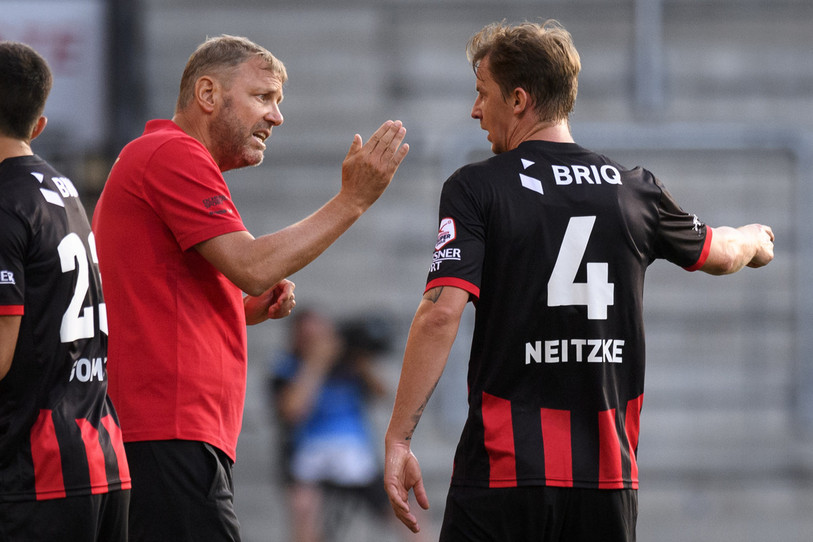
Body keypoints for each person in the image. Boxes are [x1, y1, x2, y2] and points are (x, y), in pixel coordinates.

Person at [383, 20, 775, 542]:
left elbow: (440, 313)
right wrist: (753, 238)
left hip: (504, 475)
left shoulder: (477, 188)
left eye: (482, 93)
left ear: (518, 100)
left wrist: (398, 438)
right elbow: (722, 254)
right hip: (606, 482)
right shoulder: (634, 190)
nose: (475, 110)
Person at [91, 35, 409, 541]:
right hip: (168, 432)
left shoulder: (167, 157)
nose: (276, 117)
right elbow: (253, 264)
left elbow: (160, 301)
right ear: (208, 94)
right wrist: (352, 200)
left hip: (168, 434)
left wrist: (240, 309)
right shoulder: (172, 152)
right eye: (263, 97)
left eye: (277, 101)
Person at [0, 41, 131, 541]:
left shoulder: (5, 204)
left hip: (35, 474)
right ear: (38, 126)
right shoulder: (65, 191)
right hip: (100, 460)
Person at [270, 309, 393, 542]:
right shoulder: (288, 366)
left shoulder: (350, 363)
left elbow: (384, 394)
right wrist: (315, 364)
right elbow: (292, 411)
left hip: (355, 451)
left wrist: (360, 358)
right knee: (303, 506)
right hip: (310, 451)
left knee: (404, 510)